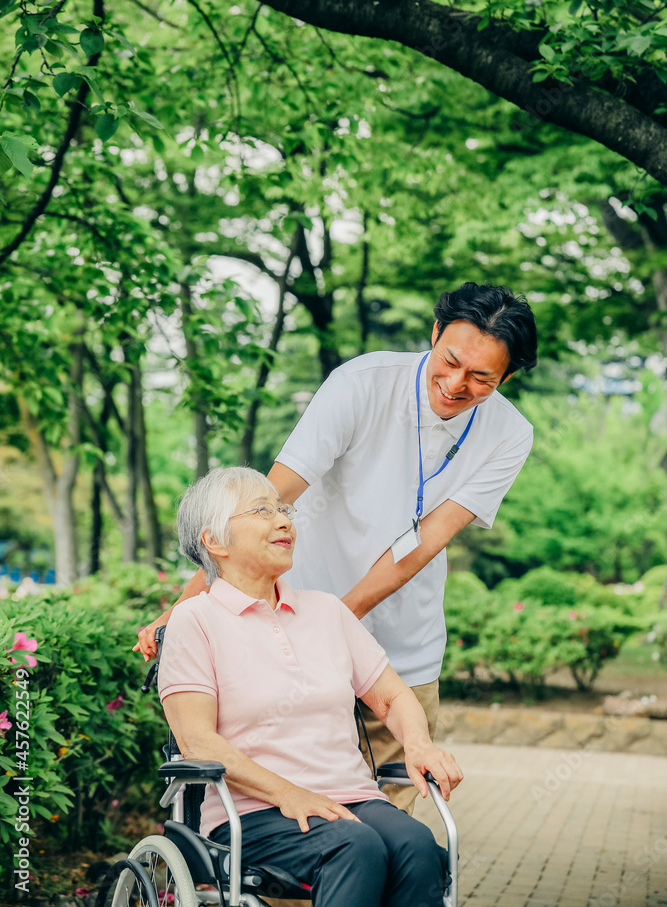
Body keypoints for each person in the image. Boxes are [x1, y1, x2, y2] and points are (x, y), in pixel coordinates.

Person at [140, 281, 537, 808]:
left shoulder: (510, 435)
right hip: (276, 638)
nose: (455, 383)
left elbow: (423, 545)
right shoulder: (362, 384)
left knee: (389, 831)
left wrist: (330, 630)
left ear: (506, 377)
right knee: (283, 821)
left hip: (403, 652)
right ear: (436, 332)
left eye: (481, 377)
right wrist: (186, 605)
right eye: (450, 360)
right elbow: (265, 502)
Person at [158, 466, 462, 907]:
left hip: (352, 798)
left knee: (417, 847)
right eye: (262, 510)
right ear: (215, 541)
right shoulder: (195, 620)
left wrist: (418, 744)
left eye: (283, 509)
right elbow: (198, 741)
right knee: (355, 848)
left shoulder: (326, 611)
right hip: (253, 811)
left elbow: (393, 696)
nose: (284, 520)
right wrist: (289, 793)